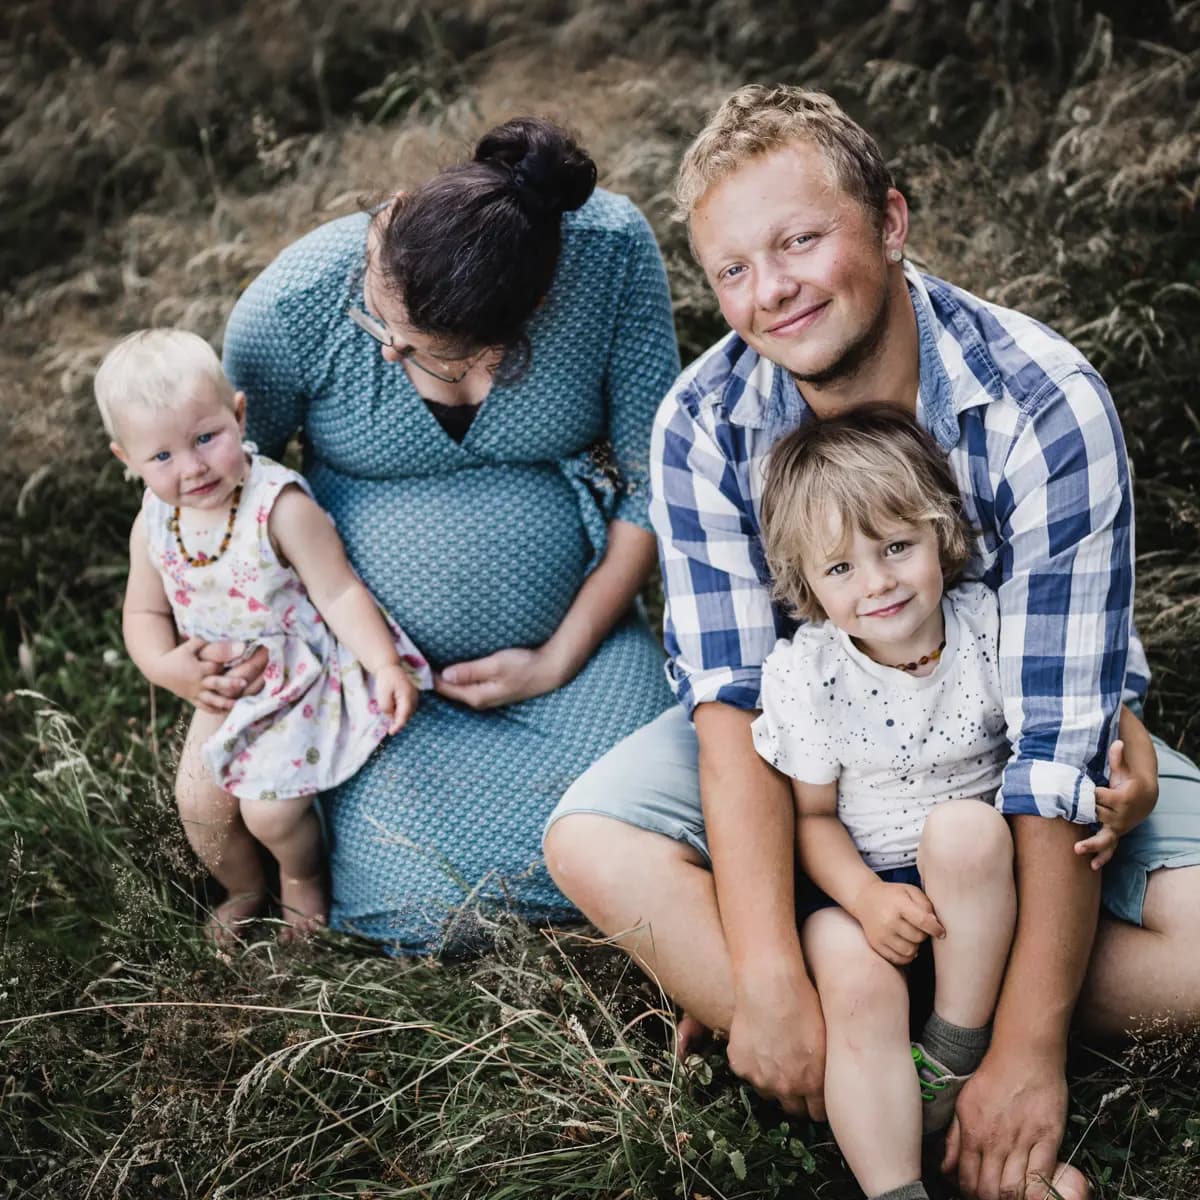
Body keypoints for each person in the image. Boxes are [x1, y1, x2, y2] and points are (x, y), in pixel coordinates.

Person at [545, 85, 1200, 1200]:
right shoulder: (704, 423)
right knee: (589, 841)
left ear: (891, 224)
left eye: (801, 240)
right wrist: (763, 979)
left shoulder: (1044, 402)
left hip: (1003, 737)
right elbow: (735, 707)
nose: (773, 292)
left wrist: (1028, 1061)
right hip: (821, 737)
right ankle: (829, 996)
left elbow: (1057, 752)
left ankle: (923, 1023)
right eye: (735, 269)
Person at [204, 117, 679, 952]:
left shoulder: (606, 256)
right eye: (380, 322)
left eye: (422, 350)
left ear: (526, 316)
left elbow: (652, 484)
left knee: (668, 821)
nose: (386, 351)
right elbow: (220, 498)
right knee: (424, 901)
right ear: (392, 216)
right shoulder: (295, 306)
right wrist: (218, 650)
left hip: (583, 655)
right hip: (370, 687)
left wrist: (560, 654)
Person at [754, 407, 1124, 1200]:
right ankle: (899, 1184)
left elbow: (1099, 703)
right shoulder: (808, 673)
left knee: (964, 832)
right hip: (863, 888)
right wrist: (863, 897)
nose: (878, 582)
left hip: (982, 893)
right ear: (806, 581)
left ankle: (954, 1058)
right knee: (856, 987)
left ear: (941, 536)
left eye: (895, 547)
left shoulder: (986, 626)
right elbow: (812, 818)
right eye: (841, 568)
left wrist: (1142, 770)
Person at [97, 329, 433, 941]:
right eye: (162, 457)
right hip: (223, 686)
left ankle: (301, 880)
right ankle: (245, 887)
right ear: (127, 460)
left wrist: (384, 664)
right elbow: (143, 615)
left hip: (297, 676)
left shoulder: (276, 506)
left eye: (206, 438)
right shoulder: (153, 522)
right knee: (198, 806)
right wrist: (166, 667)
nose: (192, 467)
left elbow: (339, 592)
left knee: (270, 810)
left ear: (239, 414)